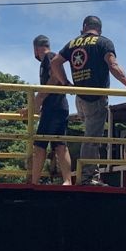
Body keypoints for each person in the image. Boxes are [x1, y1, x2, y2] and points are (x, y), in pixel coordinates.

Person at [49, 14, 126, 186]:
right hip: (96, 98)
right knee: (92, 138)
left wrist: (66, 83)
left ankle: (93, 174)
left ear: (84, 27)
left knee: (93, 136)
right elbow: (112, 65)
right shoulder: (103, 42)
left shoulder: (72, 43)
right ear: (99, 29)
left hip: (80, 98)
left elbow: (55, 63)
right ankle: (87, 178)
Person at [27, 34, 73, 185]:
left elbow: (54, 78)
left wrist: (38, 100)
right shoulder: (52, 57)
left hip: (52, 107)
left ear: (36, 49)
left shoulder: (49, 57)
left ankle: (34, 181)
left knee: (39, 145)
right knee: (60, 145)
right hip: (60, 107)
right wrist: (32, 105)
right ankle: (67, 180)